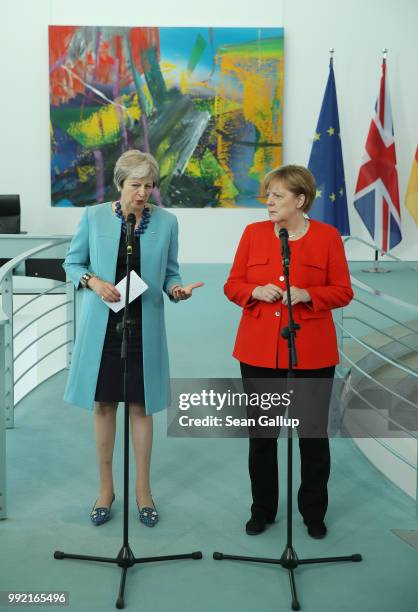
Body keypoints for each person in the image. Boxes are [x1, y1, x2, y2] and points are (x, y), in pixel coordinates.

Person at [63, 149, 203, 527]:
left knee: (142, 407)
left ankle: (143, 490)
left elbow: (171, 273)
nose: (143, 193)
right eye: (136, 185)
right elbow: (72, 263)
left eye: (149, 185)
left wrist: (177, 290)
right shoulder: (93, 217)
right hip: (104, 328)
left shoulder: (167, 222)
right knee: (104, 405)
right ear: (120, 184)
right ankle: (106, 489)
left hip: (145, 325)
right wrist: (93, 282)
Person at [224, 164, 353, 539]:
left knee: (312, 436)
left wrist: (310, 294)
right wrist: (253, 291)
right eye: (268, 194)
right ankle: (262, 509)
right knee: (263, 438)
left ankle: (313, 512)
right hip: (259, 351)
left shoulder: (328, 238)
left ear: (300, 199)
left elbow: (343, 291)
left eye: (277, 195)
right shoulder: (253, 234)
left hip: (312, 352)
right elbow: (232, 284)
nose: (269, 201)